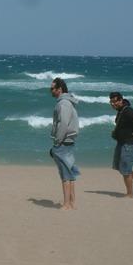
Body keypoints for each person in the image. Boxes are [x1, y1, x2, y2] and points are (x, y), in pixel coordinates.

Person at [49, 78, 80, 210]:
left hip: (64, 142)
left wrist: (57, 141)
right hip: (68, 141)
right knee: (70, 173)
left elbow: (63, 124)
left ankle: (67, 203)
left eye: (52, 88)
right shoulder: (67, 102)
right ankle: (72, 202)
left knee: (65, 174)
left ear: (59, 89)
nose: (50, 91)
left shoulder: (63, 103)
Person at [109, 92, 133, 197]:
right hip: (122, 142)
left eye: (115, 101)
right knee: (118, 166)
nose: (113, 104)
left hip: (131, 143)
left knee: (125, 167)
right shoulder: (121, 111)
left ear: (121, 100)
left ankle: (130, 194)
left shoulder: (129, 112)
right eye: (111, 102)